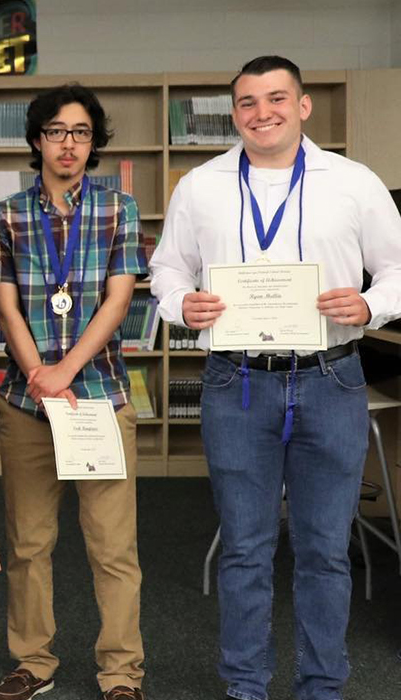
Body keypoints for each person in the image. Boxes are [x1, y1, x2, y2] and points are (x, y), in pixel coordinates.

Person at [150, 55, 401, 700]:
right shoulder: (199, 186)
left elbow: (398, 268)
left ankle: (322, 686)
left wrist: (371, 305)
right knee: (245, 550)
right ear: (234, 113)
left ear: (303, 105)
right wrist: (183, 306)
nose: (262, 113)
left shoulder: (353, 182)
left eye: (276, 98)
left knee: (323, 551)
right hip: (237, 383)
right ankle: (245, 686)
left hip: (330, 380)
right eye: (247, 102)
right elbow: (168, 271)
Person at [0, 84, 148, 700]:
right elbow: (4, 305)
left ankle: (122, 672)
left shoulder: (119, 208)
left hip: (100, 397)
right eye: (56, 131)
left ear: (94, 141)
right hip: (28, 405)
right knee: (28, 544)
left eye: (80, 132)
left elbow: (120, 299)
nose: (68, 143)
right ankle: (33, 661)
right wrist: (40, 377)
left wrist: (67, 370)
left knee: (113, 548)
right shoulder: (1, 215)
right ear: (36, 140)